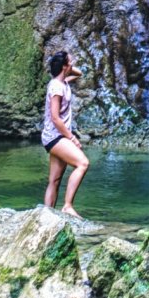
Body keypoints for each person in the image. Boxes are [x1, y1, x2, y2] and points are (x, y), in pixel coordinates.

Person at [41, 48, 90, 214]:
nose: (73, 63)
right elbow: (55, 118)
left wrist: (67, 65)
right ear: (64, 67)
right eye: (71, 61)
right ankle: (67, 206)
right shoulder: (57, 87)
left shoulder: (64, 82)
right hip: (55, 136)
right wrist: (72, 138)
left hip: (55, 136)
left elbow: (80, 73)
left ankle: (47, 214)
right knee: (82, 163)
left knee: (54, 180)